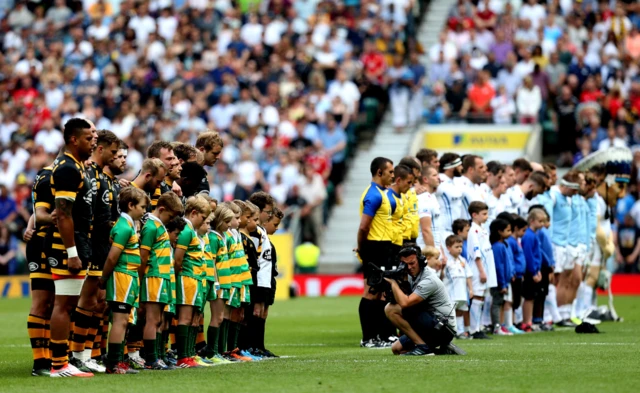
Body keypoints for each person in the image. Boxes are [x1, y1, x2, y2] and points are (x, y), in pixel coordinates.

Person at [48, 118, 96, 378]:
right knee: (64, 305)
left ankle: (61, 362)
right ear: (74, 139)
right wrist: (72, 253)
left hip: (75, 243)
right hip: (66, 246)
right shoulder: (68, 168)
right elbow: (64, 214)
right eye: (89, 139)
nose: (93, 143)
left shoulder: (76, 166)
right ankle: (59, 365)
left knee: (68, 304)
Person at [70, 130, 120, 374]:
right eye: (113, 151)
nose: (116, 156)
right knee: (87, 300)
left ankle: (87, 354)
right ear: (101, 149)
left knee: (98, 302)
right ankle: (76, 354)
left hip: (101, 245)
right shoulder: (90, 174)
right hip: (90, 244)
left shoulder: (103, 177)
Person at [99, 187, 149, 374]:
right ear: (131, 205)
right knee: (120, 321)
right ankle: (113, 364)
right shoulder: (123, 226)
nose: (144, 211)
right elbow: (112, 257)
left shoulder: (127, 225)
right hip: (122, 277)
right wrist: (103, 278)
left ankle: (117, 362)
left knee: (124, 321)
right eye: (142, 207)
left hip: (128, 278)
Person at [383, 245, 459, 356]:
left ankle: (423, 347)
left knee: (390, 309)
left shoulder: (429, 279)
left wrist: (394, 283)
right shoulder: (410, 276)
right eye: (405, 264)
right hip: (431, 323)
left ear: (421, 261)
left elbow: (405, 303)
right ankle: (442, 350)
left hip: (443, 329)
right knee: (396, 349)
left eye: (412, 263)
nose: (409, 267)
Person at [139, 192, 184, 370]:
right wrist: (141, 280)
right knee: (152, 319)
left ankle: (156, 357)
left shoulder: (159, 227)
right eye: (170, 216)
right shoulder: (151, 227)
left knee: (157, 319)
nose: (171, 220)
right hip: (153, 277)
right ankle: (150, 359)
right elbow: (143, 257)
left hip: (162, 277)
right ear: (162, 209)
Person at [355, 157, 395, 348]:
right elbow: (363, 227)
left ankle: (378, 336)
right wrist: (363, 250)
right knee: (371, 292)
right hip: (375, 247)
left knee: (380, 293)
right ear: (380, 172)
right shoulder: (373, 195)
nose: (393, 175)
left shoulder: (383, 193)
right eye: (390, 172)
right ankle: (368, 338)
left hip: (384, 247)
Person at [174, 195, 212, 368]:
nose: (204, 222)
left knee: (192, 319)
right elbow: (178, 259)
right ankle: (183, 357)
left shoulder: (192, 231)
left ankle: (189, 354)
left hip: (195, 279)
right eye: (203, 218)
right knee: (185, 317)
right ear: (194, 213)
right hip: (187, 278)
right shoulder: (187, 231)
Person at [26, 164, 55, 376]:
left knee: (55, 303)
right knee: (42, 302)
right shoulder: (49, 176)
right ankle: (40, 363)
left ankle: (52, 358)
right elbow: (40, 212)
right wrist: (31, 226)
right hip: (42, 243)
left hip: (58, 242)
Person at [248, 191, 279, 358]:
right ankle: (251, 346)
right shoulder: (253, 232)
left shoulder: (261, 231)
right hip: (258, 279)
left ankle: (259, 346)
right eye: (267, 211)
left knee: (262, 312)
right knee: (255, 312)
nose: (269, 215)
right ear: (258, 211)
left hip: (265, 279)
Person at [204, 204, 234, 364]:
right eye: (227, 221)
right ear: (219, 220)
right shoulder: (214, 238)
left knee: (220, 317)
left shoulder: (223, 237)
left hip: (226, 283)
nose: (229, 225)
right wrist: (216, 282)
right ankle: (212, 352)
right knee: (217, 317)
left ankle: (215, 351)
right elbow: (213, 261)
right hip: (219, 284)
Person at [466, 201, 496, 339]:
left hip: (485, 268)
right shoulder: (473, 231)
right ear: (474, 215)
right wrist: (482, 271)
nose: (486, 216)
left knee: (481, 297)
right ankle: (473, 329)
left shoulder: (482, 229)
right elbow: (476, 253)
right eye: (484, 214)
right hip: (478, 269)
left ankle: (478, 326)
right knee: (477, 297)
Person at [443, 235, 473, 339]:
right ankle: (451, 331)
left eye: (461, 246)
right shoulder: (446, 261)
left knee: (461, 312)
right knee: (450, 313)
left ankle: (460, 331)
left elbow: (468, 275)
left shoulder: (463, 260)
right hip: (451, 292)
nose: (459, 249)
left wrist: (471, 289)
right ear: (448, 247)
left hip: (462, 292)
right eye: (456, 247)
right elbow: (441, 276)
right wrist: (442, 267)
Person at [521, 208, 545, 331]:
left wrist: (538, 270)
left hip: (535, 270)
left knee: (532, 297)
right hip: (530, 271)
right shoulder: (529, 236)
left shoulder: (533, 235)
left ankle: (529, 320)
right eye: (540, 221)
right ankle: (527, 322)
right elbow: (529, 255)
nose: (542, 224)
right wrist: (533, 271)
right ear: (532, 220)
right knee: (529, 297)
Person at [489, 219, 513, 336]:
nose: (510, 232)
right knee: (497, 303)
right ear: (499, 231)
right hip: (499, 281)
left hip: (504, 280)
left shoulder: (502, 245)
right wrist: (502, 283)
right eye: (508, 230)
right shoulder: (497, 246)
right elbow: (499, 266)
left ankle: (501, 325)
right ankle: (496, 326)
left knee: (501, 302)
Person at [506, 215, 527, 334]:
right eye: (523, 230)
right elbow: (511, 259)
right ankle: (511, 323)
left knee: (517, 300)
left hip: (519, 275)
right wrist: (513, 272)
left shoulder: (516, 241)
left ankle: (514, 322)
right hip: (515, 275)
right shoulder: (511, 242)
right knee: (513, 300)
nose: (524, 233)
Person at [387, 165, 415, 256]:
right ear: (398, 181)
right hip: (390, 246)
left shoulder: (402, 196)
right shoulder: (388, 198)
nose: (411, 186)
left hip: (400, 244)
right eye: (409, 182)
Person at [436, 153, 464, 237]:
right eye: (459, 165)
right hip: (444, 231)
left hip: (455, 231)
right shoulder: (439, 180)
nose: (462, 168)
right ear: (451, 166)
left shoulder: (454, 181)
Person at [417, 165, 443, 252]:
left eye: (438, 174)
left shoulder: (432, 196)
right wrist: (433, 254)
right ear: (425, 179)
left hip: (435, 247)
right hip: (426, 249)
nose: (438, 177)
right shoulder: (423, 198)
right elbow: (425, 230)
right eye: (434, 175)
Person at [454, 155, 487, 220]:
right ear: (471, 169)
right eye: (481, 167)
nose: (484, 170)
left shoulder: (478, 188)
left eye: (484, 167)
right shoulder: (458, 184)